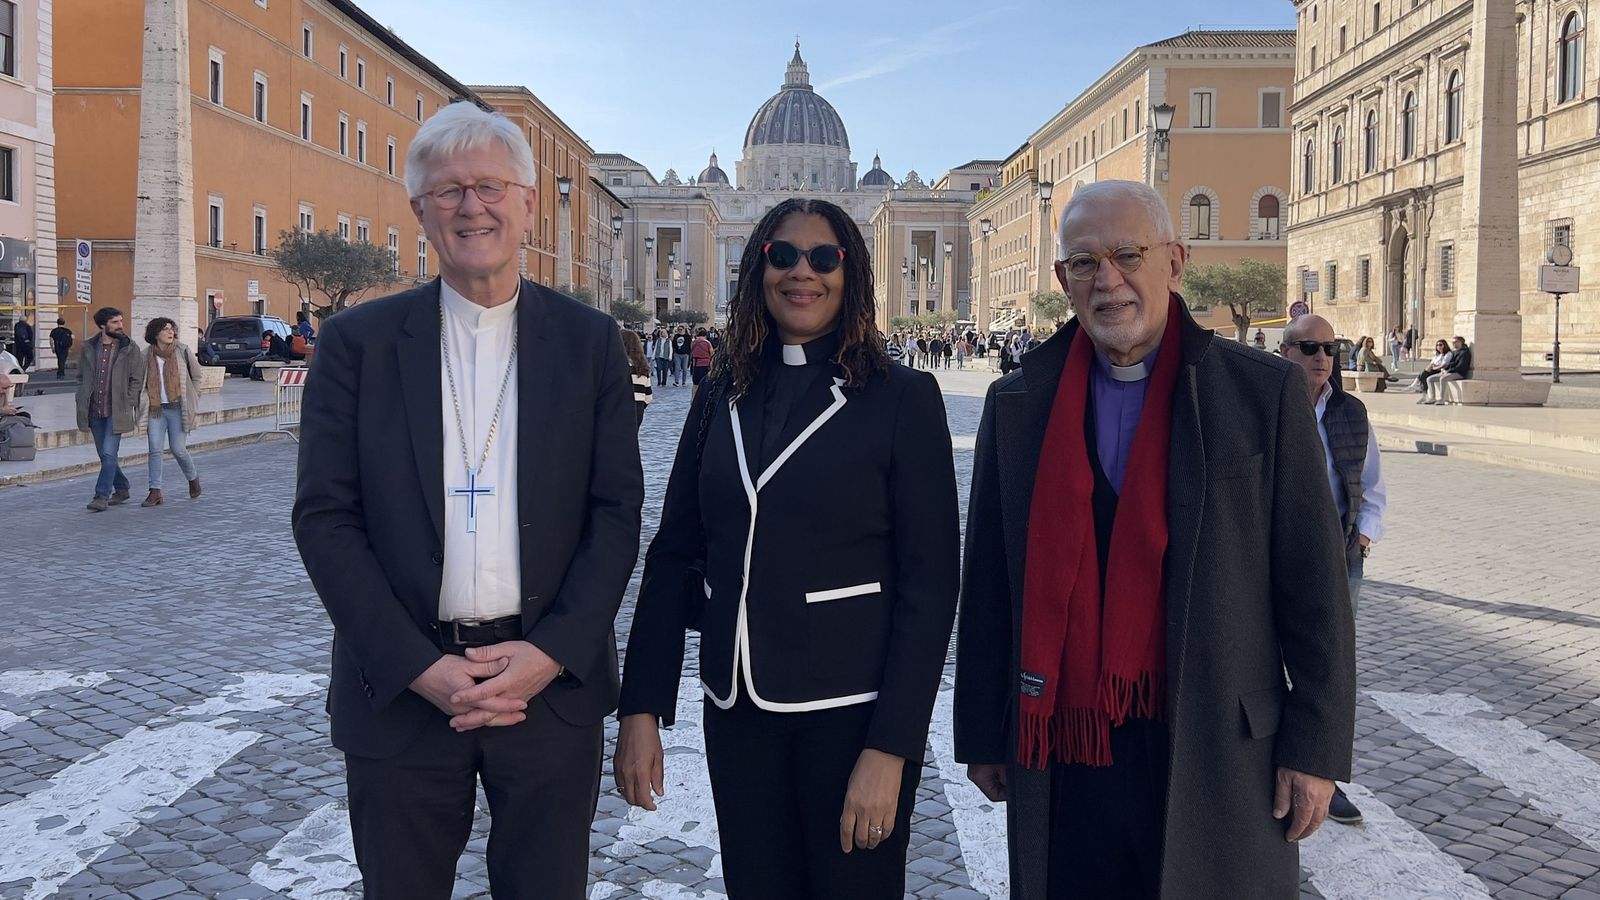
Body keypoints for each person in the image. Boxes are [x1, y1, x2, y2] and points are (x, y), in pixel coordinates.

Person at [954, 180, 1355, 899]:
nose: (1107, 280)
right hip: (1065, 750)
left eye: (1127, 254)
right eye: (1083, 263)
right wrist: (984, 732)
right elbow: (987, 581)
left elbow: (1315, 588)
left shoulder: (1261, 394)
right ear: (1062, 281)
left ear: (1174, 260)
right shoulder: (1016, 404)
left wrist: (1315, 750)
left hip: (1217, 747)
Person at [292, 101, 644, 900]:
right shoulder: (357, 344)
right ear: (419, 211)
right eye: (448, 192)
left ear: (526, 203)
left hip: (548, 693)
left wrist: (550, 654)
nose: (470, 207)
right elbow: (325, 519)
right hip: (402, 692)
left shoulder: (591, 343)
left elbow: (615, 515)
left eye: (489, 186)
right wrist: (420, 667)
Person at [615, 198, 959, 900]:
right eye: (783, 256)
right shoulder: (720, 392)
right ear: (757, 267)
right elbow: (676, 549)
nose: (803, 273)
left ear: (850, 272)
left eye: (824, 258)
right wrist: (641, 706)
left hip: (851, 716)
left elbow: (930, 586)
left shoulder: (903, 398)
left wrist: (892, 748)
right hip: (738, 713)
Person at [1279, 314, 1386, 827]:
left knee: (1329, 668)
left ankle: (1325, 776)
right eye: (1309, 348)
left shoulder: (1351, 413)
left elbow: (1373, 486)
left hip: (1338, 559)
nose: (1321, 357)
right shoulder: (1267, 406)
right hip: (1274, 558)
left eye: (1330, 348)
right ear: (1285, 352)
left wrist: (1361, 540)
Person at [76, 307, 144, 512]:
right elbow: (80, 376)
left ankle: (101, 495)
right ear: (103, 325)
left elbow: (137, 378)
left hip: (117, 410)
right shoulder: (88, 347)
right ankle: (122, 487)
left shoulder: (129, 347)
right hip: (94, 410)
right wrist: (80, 396)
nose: (120, 326)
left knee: (108, 453)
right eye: (115, 322)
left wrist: (129, 401)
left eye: (120, 321)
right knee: (105, 455)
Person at [138, 317, 203, 506]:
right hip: (155, 409)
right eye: (165, 329)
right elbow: (141, 381)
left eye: (171, 329)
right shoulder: (146, 355)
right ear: (155, 333)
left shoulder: (182, 350)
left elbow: (197, 375)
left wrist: (194, 396)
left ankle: (193, 479)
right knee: (155, 450)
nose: (170, 332)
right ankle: (155, 491)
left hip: (177, 407)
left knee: (178, 449)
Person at [1422, 336, 1472, 405]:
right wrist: (1444, 370)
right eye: (1453, 342)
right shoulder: (1454, 352)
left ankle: (1442, 399)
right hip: (1450, 371)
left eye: (1455, 342)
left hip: (1459, 373)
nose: (1454, 344)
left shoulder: (1464, 353)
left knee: (1443, 378)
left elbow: (1461, 366)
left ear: (1461, 342)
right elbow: (1450, 363)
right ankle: (1432, 397)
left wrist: (1449, 371)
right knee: (1430, 379)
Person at [620, 327, 653, 428]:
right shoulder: (642, 367)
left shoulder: (616, 367)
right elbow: (648, 396)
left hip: (620, 407)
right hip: (638, 407)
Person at [689, 326, 714, 397]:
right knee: (705, 383)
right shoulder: (707, 343)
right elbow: (712, 353)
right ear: (705, 335)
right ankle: (704, 397)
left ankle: (693, 398)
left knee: (695, 383)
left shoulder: (693, 343)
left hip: (695, 364)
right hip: (705, 365)